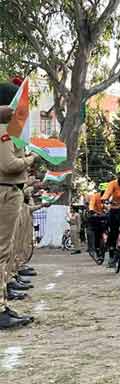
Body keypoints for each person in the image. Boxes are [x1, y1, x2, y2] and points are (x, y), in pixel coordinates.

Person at [0, 85, 34, 328]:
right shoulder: (2, 132)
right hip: (5, 192)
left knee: (7, 250)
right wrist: (33, 158)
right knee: (2, 251)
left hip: (11, 191)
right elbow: (9, 165)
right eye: (14, 105)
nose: (17, 111)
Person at [86, 183, 108, 255]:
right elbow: (91, 205)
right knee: (96, 233)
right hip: (95, 216)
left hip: (105, 216)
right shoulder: (95, 196)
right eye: (103, 191)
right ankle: (97, 248)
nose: (105, 193)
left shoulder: (109, 196)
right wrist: (92, 211)